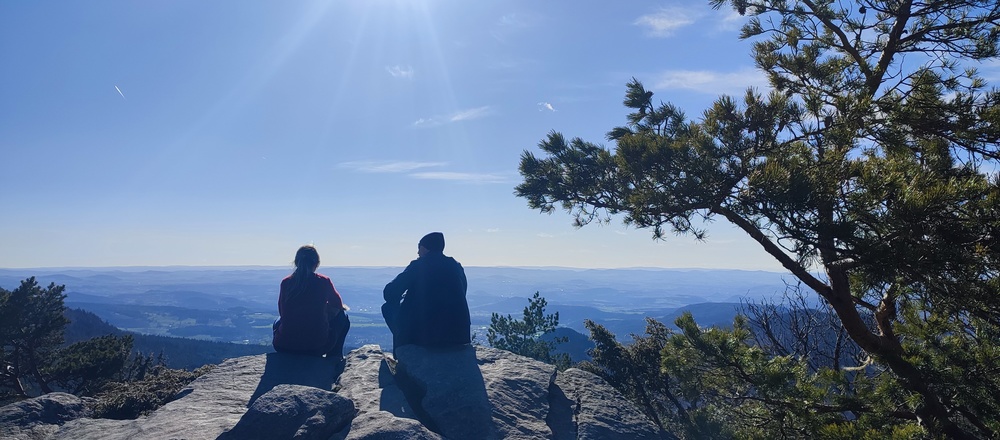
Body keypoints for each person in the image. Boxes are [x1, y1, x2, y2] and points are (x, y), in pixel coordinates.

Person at [382, 232, 471, 349]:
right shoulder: (456, 266)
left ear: (424, 249)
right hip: (459, 336)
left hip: (424, 336)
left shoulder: (418, 265)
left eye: (418, 249)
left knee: (388, 307)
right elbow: (462, 292)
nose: (418, 253)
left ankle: (402, 350)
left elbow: (390, 294)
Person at [272, 245, 350, 358]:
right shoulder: (323, 281)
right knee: (343, 316)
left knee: (278, 321)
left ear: (296, 262)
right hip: (316, 348)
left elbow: (282, 312)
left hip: (283, 347)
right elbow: (338, 305)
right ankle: (334, 357)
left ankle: (283, 349)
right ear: (317, 263)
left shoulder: (286, 282)